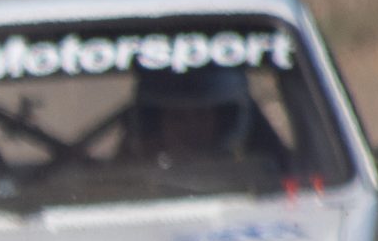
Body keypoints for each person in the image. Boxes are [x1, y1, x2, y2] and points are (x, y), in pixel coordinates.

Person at [122, 65, 286, 168]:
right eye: (178, 118)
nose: (190, 129)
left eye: (201, 115)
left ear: (222, 120)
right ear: (158, 124)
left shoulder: (259, 180)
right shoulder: (127, 183)